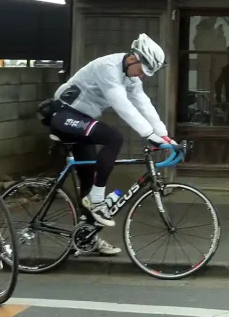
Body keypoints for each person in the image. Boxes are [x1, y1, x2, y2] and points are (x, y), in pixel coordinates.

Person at [47, 33, 176, 252]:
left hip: (82, 120)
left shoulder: (131, 75)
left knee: (89, 179)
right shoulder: (108, 67)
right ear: (133, 58)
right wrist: (148, 133)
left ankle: (87, 238)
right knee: (114, 137)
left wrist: (164, 136)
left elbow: (143, 103)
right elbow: (122, 104)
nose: (142, 77)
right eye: (142, 71)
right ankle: (98, 201)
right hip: (64, 114)